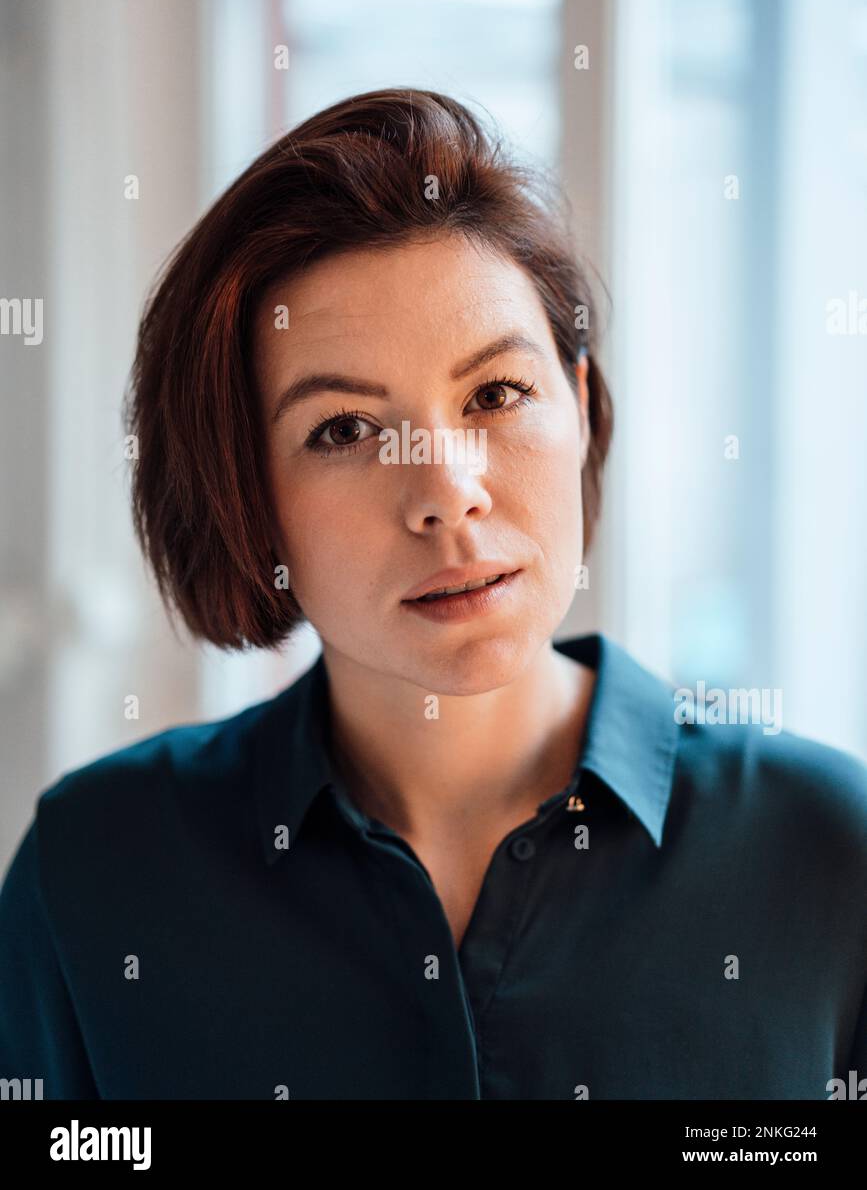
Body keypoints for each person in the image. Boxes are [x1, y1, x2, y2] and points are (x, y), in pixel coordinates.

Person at [0, 88, 865, 1100]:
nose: (448, 493)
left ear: (579, 406)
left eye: (496, 394)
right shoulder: (96, 873)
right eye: (345, 430)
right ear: (248, 493)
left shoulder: (827, 852)